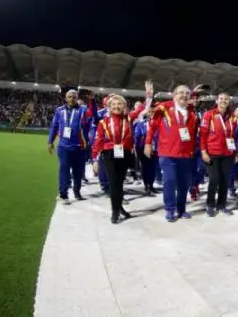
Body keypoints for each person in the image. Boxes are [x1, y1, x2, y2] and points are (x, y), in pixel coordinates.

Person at [145, 85, 201, 222]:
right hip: (167, 153)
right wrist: (148, 143)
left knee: (184, 183)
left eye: (187, 93)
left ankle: (181, 209)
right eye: (181, 92)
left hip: (186, 154)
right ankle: (170, 209)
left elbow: (194, 134)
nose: (184, 95)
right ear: (174, 95)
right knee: (169, 181)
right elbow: (152, 125)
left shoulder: (192, 112)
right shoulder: (164, 107)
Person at [92, 94, 139, 224]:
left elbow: (141, 109)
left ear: (124, 106)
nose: (117, 106)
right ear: (109, 107)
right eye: (114, 105)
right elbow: (98, 141)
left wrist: (149, 96)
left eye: (119, 104)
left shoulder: (128, 118)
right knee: (113, 183)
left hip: (124, 153)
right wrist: (95, 160)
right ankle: (115, 211)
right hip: (109, 154)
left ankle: (120, 208)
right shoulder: (104, 122)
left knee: (119, 183)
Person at [48, 89, 97, 204]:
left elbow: (93, 113)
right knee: (63, 170)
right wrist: (50, 141)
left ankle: (76, 191)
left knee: (78, 172)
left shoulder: (83, 110)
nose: (71, 98)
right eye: (69, 96)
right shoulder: (59, 111)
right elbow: (54, 126)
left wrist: (92, 100)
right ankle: (63, 194)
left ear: (77, 98)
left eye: (74, 97)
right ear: (65, 98)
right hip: (64, 147)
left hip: (80, 147)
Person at [199, 92, 236, 216]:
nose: (223, 101)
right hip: (212, 153)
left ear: (228, 102)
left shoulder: (232, 116)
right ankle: (210, 204)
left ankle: (222, 205)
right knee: (214, 179)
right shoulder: (209, 114)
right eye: (221, 99)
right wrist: (203, 151)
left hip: (227, 154)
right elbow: (203, 134)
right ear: (217, 100)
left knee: (225, 180)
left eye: (226, 99)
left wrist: (235, 153)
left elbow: (233, 136)